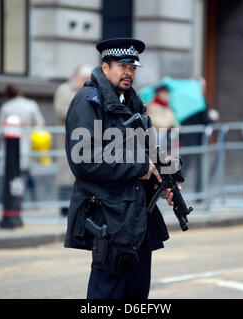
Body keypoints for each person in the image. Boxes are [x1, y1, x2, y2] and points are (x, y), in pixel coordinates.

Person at [64, 38, 179, 299]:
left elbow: (148, 150)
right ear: (105, 67)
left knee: (137, 293)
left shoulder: (132, 101)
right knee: (107, 294)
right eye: (122, 66)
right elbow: (84, 160)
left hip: (136, 216)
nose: (129, 72)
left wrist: (167, 178)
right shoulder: (88, 100)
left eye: (133, 67)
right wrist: (139, 167)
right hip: (108, 216)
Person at [54, 65, 92, 216]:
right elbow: (62, 110)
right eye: (84, 79)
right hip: (68, 141)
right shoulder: (65, 90)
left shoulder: (88, 91)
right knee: (66, 176)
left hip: (85, 143)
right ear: (76, 77)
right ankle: (65, 208)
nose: (87, 82)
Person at [0, 84, 46, 203]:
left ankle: (13, 201)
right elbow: (40, 123)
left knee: (11, 177)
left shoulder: (6, 107)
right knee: (24, 175)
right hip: (25, 146)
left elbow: (0, 129)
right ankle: (24, 201)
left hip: (9, 149)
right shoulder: (31, 105)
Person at [146, 85, 175, 152]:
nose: (167, 96)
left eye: (167, 94)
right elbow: (164, 124)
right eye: (165, 93)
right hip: (155, 143)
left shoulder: (166, 107)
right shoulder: (152, 107)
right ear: (159, 94)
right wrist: (170, 113)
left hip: (165, 143)